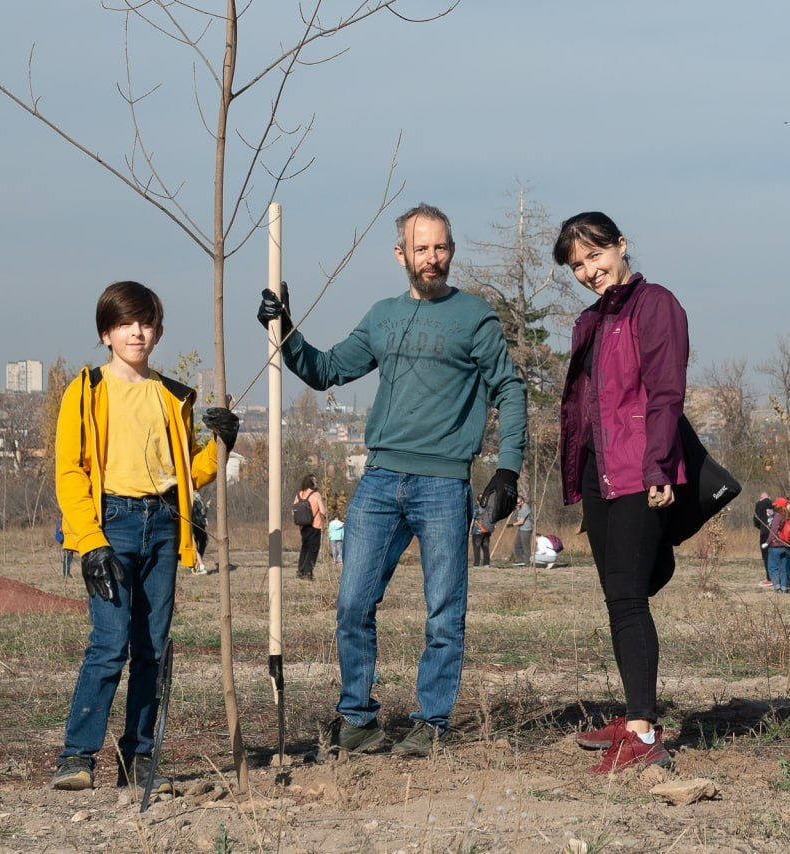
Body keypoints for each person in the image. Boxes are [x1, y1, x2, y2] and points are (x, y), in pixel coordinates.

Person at [257, 202, 526, 759]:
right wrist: (285, 329)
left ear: (452, 250)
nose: (433, 258)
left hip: (443, 484)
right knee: (353, 602)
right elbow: (327, 369)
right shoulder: (382, 316)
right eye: (421, 248)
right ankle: (358, 720)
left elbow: (511, 390)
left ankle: (431, 723)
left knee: (444, 609)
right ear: (400, 254)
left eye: (441, 247)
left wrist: (508, 468)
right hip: (380, 480)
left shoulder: (474, 317)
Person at [51, 280, 237, 793]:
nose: (138, 331)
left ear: (158, 331)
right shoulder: (85, 390)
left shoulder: (174, 395)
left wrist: (222, 443)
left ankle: (137, 760)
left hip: (163, 525)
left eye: (147, 322)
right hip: (109, 522)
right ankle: (76, 757)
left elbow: (185, 472)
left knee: (152, 649)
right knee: (109, 645)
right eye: (126, 323)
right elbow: (69, 471)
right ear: (106, 333)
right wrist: (89, 542)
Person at [554, 211, 684, 774]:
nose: (589, 270)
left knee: (629, 597)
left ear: (621, 245)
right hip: (599, 474)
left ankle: (643, 732)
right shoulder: (589, 320)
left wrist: (658, 468)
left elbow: (665, 392)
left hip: (639, 471)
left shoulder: (655, 304)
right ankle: (636, 711)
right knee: (618, 597)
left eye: (595, 255)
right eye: (578, 265)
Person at [292, 474, 327, 580]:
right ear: (312, 483)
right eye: (316, 482)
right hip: (315, 525)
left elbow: (293, 511)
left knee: (305, 548)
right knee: (313, 549)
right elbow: (323, 511)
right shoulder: (316, 495)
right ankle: (308, 572)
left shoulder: (299, 494)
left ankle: (300, 570)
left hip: (303, 527)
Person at [766, 497, 790, 593]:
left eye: (776, 504)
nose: (774, 506)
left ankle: (777, 587)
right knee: (785, 567)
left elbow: (774, 530)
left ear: (779, 505)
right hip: (787, 545)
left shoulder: (778, 515)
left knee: (773, 567)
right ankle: (785, 587)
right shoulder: (789, 516)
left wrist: (768, 542)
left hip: (776, 545)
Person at [753, 492, 774, 587]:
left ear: (760, 498)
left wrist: (761, 527)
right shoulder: (775, 504)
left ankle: (770, 579)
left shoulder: (759, 505)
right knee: (775, 555)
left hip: (765, 534)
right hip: (775, 534)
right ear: (769, 497)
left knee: (766, 556)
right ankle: (776, 577)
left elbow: (756, 520)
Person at [509, 495, 533, 566]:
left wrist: (512, 525)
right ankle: (519, 560)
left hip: (526, 530)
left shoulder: (525, 508)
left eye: (518, 503)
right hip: (521, 529)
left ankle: (527, 562)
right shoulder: (521, 507)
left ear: (522, 501)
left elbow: (521, 521)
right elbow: (519, 516)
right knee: (517, 544)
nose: (517, 504)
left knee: (525, 546)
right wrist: (517, 509)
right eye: (516, 503)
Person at [189, 492, 210, 574]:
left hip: (196, 524)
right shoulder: (195, 498)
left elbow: (202, 512)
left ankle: (197, 564)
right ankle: (199, 565)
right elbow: (202, 512)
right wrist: (206, 506)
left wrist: (207, 506)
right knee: (200, 544)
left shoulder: (194, 498)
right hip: (197, 525)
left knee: (199, 544)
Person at [470, 500, 494, 568]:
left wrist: (470, 530)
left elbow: (472, 519)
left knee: (477, 547)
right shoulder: (489, 508)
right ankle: (486, 563)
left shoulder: (476, 508)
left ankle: (476, 564)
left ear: (478, 501)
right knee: (486, 546)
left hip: (477, 530)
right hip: (487, 531)